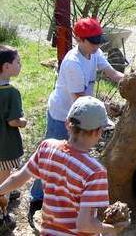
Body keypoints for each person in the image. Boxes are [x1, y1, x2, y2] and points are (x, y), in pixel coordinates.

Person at [28, 17, 125, 224]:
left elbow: (111, 72)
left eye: (99, 39)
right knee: (49, 158)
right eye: (93, 41)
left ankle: (71, 195)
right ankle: (36, 199)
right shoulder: (72, 63)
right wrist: (104, 108)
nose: (97, 44)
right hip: (62, 114)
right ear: (79, 39)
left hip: (83, 111)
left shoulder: (95, 52)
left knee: (77, 157)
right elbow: (78, 99)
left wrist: (129, 81)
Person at [0, 96, 129, 235]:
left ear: (67, 123)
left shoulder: (47, 147)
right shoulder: (94, 172)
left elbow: (17, 178)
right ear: (98, 132)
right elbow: (84, 224)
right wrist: (112, 229)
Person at [0, 45, 26, 230]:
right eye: (17, 62)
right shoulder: (11, 93)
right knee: (3, 183)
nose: (20, 65)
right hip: (5, 148)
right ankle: (3, 217)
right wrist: (23, 122)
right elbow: (13, 121)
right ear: (6, 66)